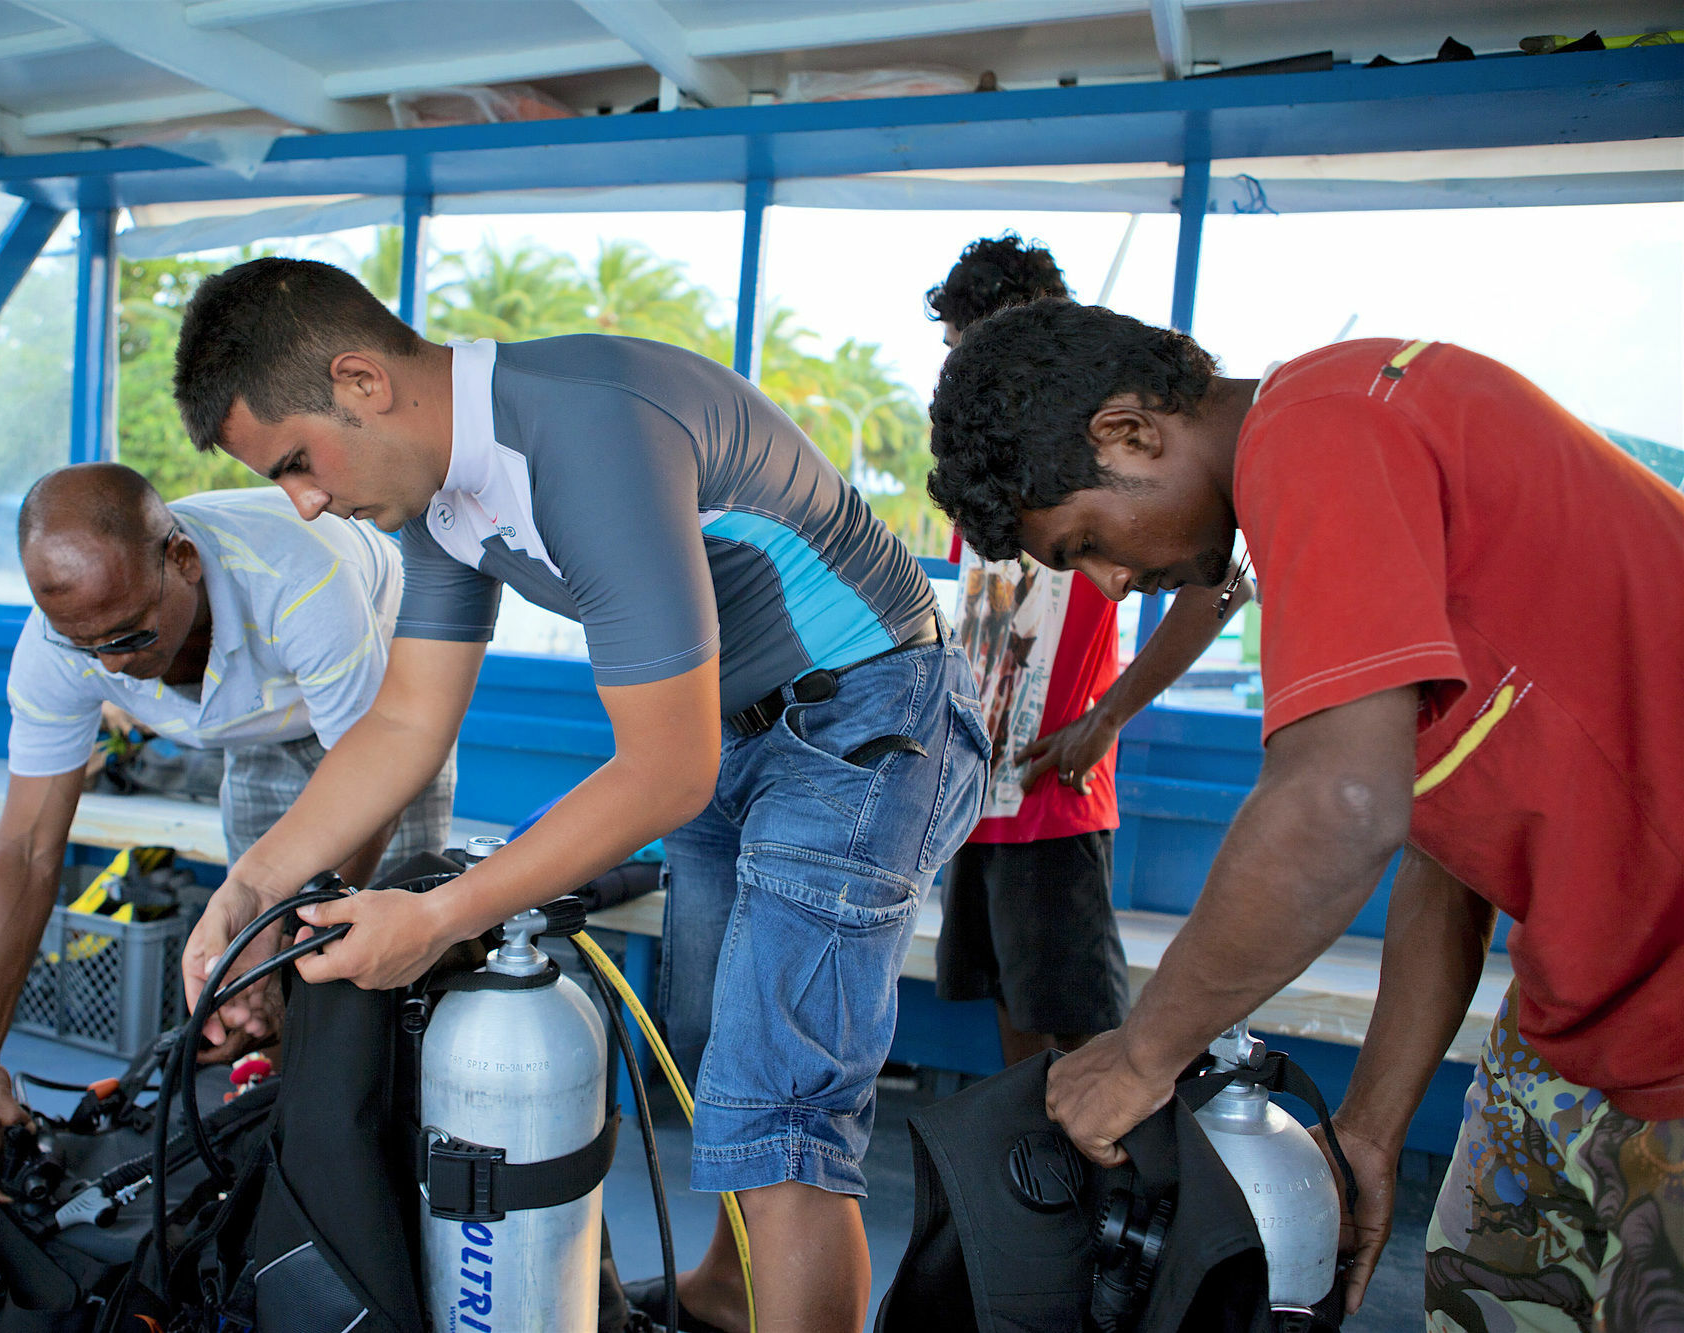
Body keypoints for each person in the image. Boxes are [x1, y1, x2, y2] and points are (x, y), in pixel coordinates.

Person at [170, 257, 988, 1333]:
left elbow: (662, 769)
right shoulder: (438, 497)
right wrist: (247, 889)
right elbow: (409, 721)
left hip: (866, 717)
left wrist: (436, 919)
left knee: (780, 1103)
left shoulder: (585, 432)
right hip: (734, 729)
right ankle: (730, 1296)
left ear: (361, 381)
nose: (305, 500)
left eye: (296, 461)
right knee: (709, 1045)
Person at [925, 299, 1684, 1325]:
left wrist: (1141, 1053)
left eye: (1088, 540)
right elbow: (1438, 847)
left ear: (1129, 431)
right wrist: (1368, 1126)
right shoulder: (1342, 468)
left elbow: (1337, 801)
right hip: (1577, 1019)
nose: (1111, 582)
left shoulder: (1324, 421)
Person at [0, 462, 454, 1202]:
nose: (114, 664)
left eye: (128, 634)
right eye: (90, 648)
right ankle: (299, 1186)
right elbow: (25, 849)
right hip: (257, 732)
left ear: (183, 560)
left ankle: (403, 1185)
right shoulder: (66, 638)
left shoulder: (299, 573)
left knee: (387, 970)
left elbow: (372, 784)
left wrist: (280, 946)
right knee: (271, 1000)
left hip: (381, 712)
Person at [926, 236, 1249, 1064]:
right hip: (984, 793)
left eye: (987, 348)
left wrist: (1107, 717)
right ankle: (1032, 1188)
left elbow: (1216, 586)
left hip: (1056, 790)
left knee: (1083, 1028)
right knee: (1011, 1014)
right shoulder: (999, 490)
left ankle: (1111, 1191)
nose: (977, 375)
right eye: (964, 355)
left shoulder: (1094, 468)